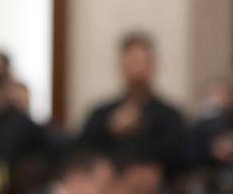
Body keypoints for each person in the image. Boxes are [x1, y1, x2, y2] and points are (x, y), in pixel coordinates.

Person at [80, 31, 189, 178]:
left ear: (153, 65)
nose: (137, 69)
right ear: (121, 66)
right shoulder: (101, 115)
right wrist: (110, 130)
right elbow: (83, 156)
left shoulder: (171, 116)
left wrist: (143, 128)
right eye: (132, 62)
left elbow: (180, 160)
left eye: (142, 62)